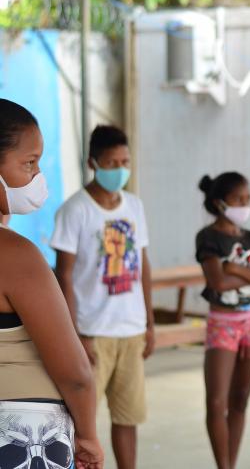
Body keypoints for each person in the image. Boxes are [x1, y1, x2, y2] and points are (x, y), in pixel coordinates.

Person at [0, 98, 103, 468]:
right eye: (28, 163)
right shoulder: (16, 256)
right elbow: (75, 373)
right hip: (24, 437)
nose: (37, 175)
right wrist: (88, 435)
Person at [52, 125, 153, 469]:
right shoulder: (75, 210)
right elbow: (63, 274)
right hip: (91, 333)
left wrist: (149, 324)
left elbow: (143, 266)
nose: (120, 170)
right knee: (82, 422)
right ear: (92, 162)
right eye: (112, 163)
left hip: (131, 329)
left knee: (128, 417)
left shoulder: (135, 206)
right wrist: (74, 335)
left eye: (125, 162)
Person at [196, 172, 250, 469]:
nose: (245, 205)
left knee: (241, 398)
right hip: (224, 324)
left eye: (248, 198)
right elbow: (216, 282)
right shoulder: (208, 238)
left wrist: (236, 269)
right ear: (220, 203)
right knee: (217, 402)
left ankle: (232, 461)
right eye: (238, 200)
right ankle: (224, 465)